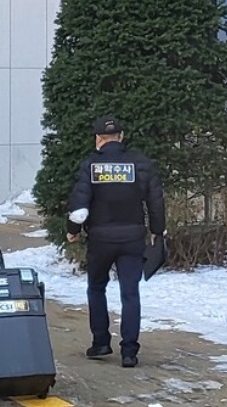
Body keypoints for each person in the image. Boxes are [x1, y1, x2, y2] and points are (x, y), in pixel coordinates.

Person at [66, 115, 166, 368]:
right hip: (132, 238)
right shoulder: (140, 163)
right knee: (130, 293)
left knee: (96, 287)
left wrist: (72, 230)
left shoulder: (91, 165)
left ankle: (101, 342)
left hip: (100, 239)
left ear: (98, 139)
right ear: (121, 137)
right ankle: (129, 352)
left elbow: (80, 203)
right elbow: (155, 200)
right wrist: (157, 231)